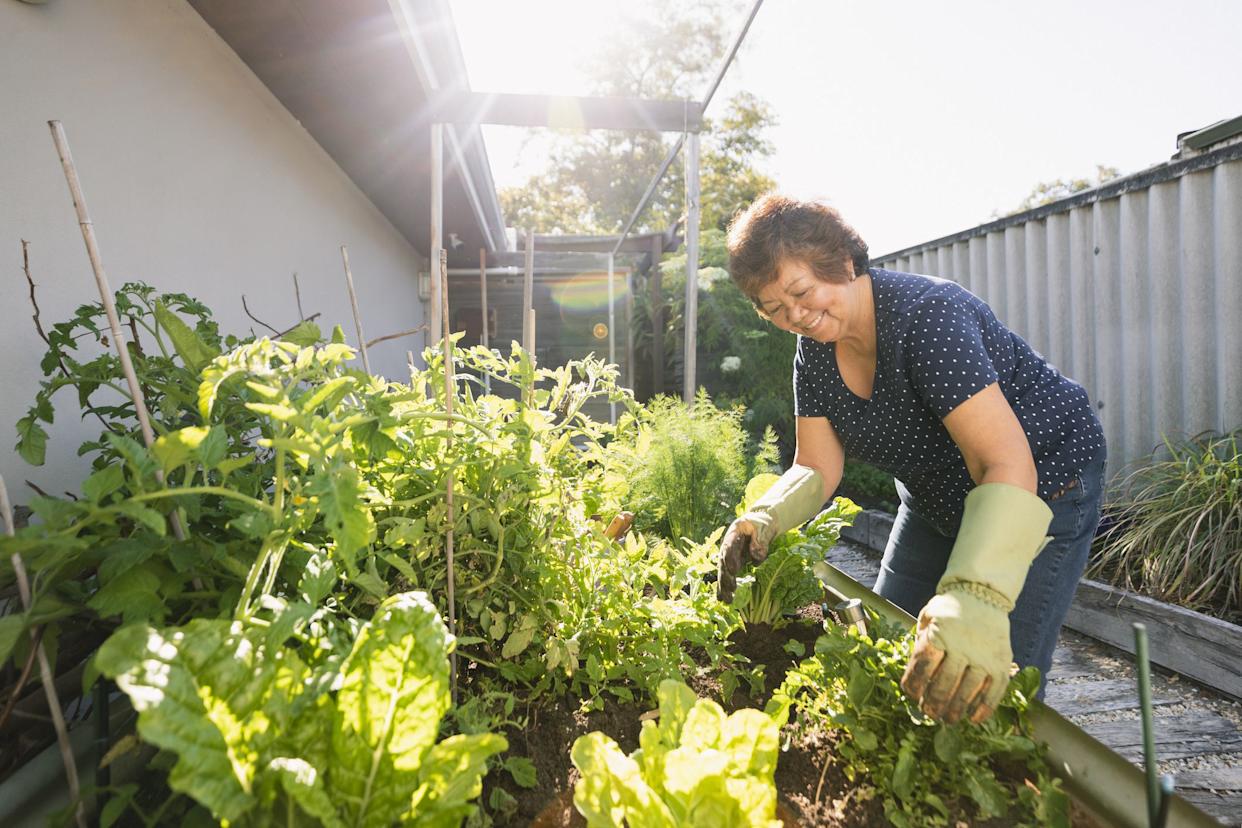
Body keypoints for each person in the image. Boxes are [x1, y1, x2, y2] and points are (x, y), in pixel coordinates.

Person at [717, 194, 1106, 725]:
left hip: (1042, 482)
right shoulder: (813, 354)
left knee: (983, 676)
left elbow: (1003, 461)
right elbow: (815, 465)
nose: (796, 317)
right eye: (775, 310)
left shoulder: (928, 319)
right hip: (935, 496)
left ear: (844, 263)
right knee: (885, 647)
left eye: (802, 293)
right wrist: (763, 518)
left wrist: (976, 595)